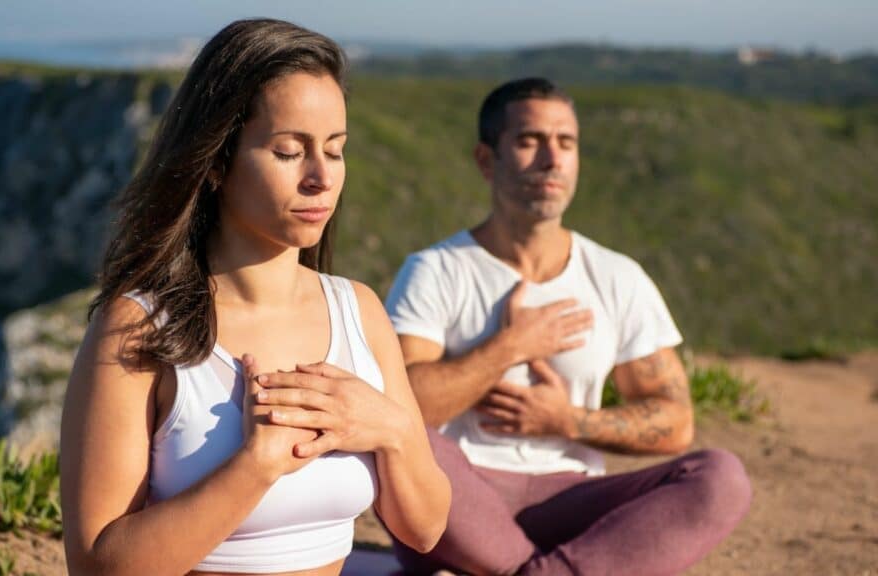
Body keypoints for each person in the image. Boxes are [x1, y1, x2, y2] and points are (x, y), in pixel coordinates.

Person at [59, 19, 450, 576]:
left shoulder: (358, 310)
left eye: (335, 151)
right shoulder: (141, 326)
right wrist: (255, 465)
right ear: (216, 161)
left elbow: (426, 527)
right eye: (290, 151)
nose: (321, 177)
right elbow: (97, 566)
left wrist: (392, 429)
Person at [384, 77, 752, 575]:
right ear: (486, 160)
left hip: (569, 498)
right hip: (460, 495)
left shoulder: (617, 277)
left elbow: (675, 421)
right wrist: (508, 347)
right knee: (406, 446)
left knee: (720, 477)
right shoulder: (436, 270)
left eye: (566, 143)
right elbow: (403, 408)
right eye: (529, 141)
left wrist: (565, 421)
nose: (552, 159)